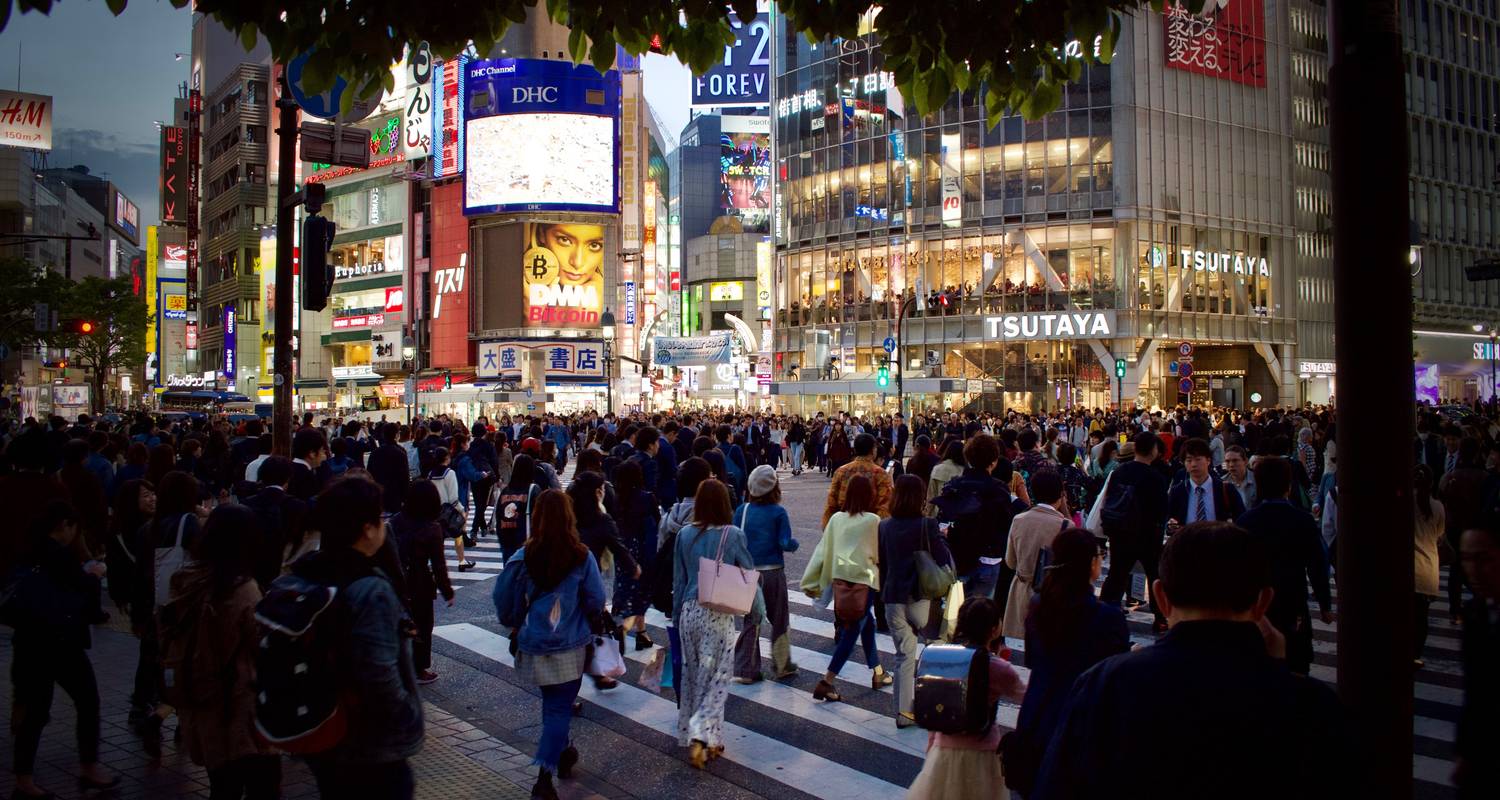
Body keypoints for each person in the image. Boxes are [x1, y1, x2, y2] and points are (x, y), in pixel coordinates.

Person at [1032, 521, 1348, 799]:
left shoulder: (1108, 685)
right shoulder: (1312, 708)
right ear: (1263, 601)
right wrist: (1276, 673)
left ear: (1161, 597)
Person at [286, 475, 424, 798]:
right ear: (366, 529)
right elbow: (378, 672)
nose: (384, 525)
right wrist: (407, 712)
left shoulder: (307, 571)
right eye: (379, 519)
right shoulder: (369, 588)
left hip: (323, 723)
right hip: (369, 738)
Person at [159, 504, 280, 799]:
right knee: (262, 787)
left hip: (201, 701)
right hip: (241, 707)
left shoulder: (186, 581)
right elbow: (262, 646)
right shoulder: (242, 588)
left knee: (222, 787)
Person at [498, 488, 606, 800]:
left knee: (552, 705)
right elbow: (596, 599)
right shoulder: (581, 556)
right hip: (571, 643)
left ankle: (563, 752)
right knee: (559, 707)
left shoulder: (524, 556)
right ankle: (544, 776)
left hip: (535, 643)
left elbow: (504, 600)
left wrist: (515, 624)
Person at [6, 501, 118, 799]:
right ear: (67, 526)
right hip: (60, 641)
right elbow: (80, 588)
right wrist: (94, 574)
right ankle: (89, 766)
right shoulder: (59, 555)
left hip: (30, 639)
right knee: (87, 700)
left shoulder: (29, 550)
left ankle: (24, 779)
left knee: (35, 709)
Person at [1005, 528, 1129, 796]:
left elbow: (1033, 659)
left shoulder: (1039, 605)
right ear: (1091, 563)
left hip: (1037, 714)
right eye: (1099, 555)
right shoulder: (1107, 617)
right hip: (1082, 724)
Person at [671, 479, 762, 768]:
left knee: (695, 676)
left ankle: (706, 738)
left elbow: (679, 579)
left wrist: (676, 618)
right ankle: (702, 733)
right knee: (718, 679)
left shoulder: (684, 534)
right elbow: (749, 574)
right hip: (717, 614)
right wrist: (757, 612)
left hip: (688, 611)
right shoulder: (732, 534)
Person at [905, 597, 1026, 799]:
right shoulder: (996, 667)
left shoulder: (945, 658)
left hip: (943, 751)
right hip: (983, 754)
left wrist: (932, 748)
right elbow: (1027, 695)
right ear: (995, 629)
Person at [1233, 456, 1334, 675]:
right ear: (1288, 486)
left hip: (1257, 602)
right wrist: (1324, 603)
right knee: (1295, 660)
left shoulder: (1246, 521)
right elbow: (1317, 565)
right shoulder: (1302, 520)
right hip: (1293, 597)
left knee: (1258, 662)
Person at [802, 474, 889, 701]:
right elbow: (879, 553)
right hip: (865, 581)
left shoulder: (836, 519)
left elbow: (823, 550)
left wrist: (811, 580)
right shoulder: (872, 520)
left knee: (865, 623)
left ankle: (878, 671)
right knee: (853, 630)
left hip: (841, 581)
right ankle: (827, 681)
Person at [878, 474, 953, 727]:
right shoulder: (927, 525)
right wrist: (943, 537)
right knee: (936, 645)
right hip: (920, 596)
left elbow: (883, 564)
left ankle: (904, 713)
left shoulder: (884, 526)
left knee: (903, 656)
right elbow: (942, 560)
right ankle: (936, 702)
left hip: (892, 597)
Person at [1095, 431, 1171, 631]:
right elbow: (1162, 509)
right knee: (1154, 575)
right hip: (1148, 535)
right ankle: (1160, 616)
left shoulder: (1119, 472)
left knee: (1117, 573)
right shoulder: (1155, 477)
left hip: (1120, 532)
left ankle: (1104, 613)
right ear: (1154, 451)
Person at [733, 465, 800, 683]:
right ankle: (782, 665)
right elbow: (784, 542)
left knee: (752, 621)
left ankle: (747, 669)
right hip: (772, 572)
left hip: (748, 573)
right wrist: (793, 544)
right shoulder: (778, 512)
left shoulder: (741, 510)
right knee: (779, 619)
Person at [934, 434, 1014, 604]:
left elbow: (943, 518)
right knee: (980, 611)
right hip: (989, 557)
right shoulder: (999, 490)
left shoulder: (954, 486)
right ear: (993, 462)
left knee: (955, 610)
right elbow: (1005, 526)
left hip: (958, 556)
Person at [390, 480, 456, 684]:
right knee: (423, 626)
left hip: (397, 580)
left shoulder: (396, 521)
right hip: (420, 583)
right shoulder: (432, 528)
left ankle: (400, 665)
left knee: (399, 624)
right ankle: (419, 669)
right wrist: (447, 591)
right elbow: (438, 565)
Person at [1456, 526, 1500, 798]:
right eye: (1466, 559)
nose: (1473, 569)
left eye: (1483, 559)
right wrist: (1465, 751)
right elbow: (1474, 692)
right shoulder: (1475, 613)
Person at [1002, 470, 1072, 639]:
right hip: (1052, 595)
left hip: (1021, 589)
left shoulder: (1019, 519)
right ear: (1060, 494)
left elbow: (1010, 562)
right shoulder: (1065, 526)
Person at [612, 460, 661, 650]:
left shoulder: (617, 498)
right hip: (643, 549)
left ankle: (633, 629)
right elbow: (657, 523)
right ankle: (632, 629)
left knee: (625, 588)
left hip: (623, 549)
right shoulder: (647, 498)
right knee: (642, 591)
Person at [1167, 438, 1247, 527]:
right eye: (1189, 460)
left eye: (1198, 459)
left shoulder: (1226, 489)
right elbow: (1170, 521)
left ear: (1208, 460)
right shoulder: (1177, 492)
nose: (1193, 464)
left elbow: (1242, 521)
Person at [822, 432, 895, 528]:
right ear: (873, 450)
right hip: (870, 528)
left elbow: (831, 502)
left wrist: (827, 525)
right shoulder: (880, 474)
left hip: (844, 526)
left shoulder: (841, 471)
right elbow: (884, 505)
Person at [1413, 464, 1446, 667]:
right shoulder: (1437, 506)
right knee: (1421, 617)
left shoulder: (1402, 500)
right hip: (1427, 568)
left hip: (1405, 569)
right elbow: (1440, 536)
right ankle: (1415, 653)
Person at [427, 446, 474, 571]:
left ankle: (437, 565)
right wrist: (461, 509)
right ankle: (461, 561)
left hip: (434, 511)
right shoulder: (449, 473)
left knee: (439, 539)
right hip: (448, 510)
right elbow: (453, 497)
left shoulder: (431, 474)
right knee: (458, 535)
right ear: (447, 458)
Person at [495, 454, 542, 562]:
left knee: (510, 573)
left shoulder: (505, 491)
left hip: (506, 539)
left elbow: (498, 514)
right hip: (525, 541)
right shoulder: (533, 489)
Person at [1223, 445, 1257, 509]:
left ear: (1246, 461)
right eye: (1227, 461)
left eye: (1235, 460)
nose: (1231, 465)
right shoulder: (1222, 483)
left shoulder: (1257, 480)